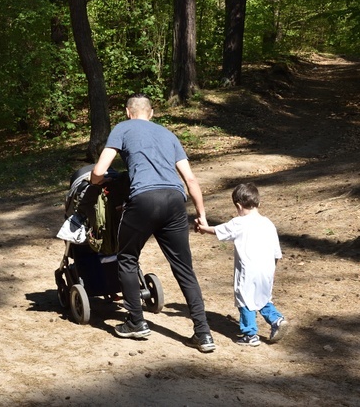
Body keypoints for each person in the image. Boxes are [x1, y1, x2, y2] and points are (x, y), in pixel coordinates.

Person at [91, 94, 215, 353]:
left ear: (128, 112)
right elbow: (190, 180)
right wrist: (202, 215)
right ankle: (203, 334)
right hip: (174, 200)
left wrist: (95, 183)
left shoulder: (122, 128)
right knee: (184, 268)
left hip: (145, 199)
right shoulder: (169, 135)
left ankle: (136, 322)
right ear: (152, 113)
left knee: (126, 259)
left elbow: (100, 171)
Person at [195, 183, 288, 346]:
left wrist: (203, 228)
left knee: (244, 298)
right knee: (263, 298)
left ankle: (250, 334)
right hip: (267, 270)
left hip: (248, 270)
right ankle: (276, 319)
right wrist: (273, 270)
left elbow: (219, 230)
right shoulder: (268, 224)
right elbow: (276, 252)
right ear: (258, 203)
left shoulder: (239, 222)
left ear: (238, 205)